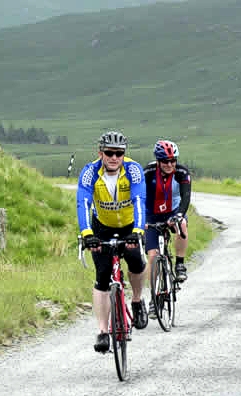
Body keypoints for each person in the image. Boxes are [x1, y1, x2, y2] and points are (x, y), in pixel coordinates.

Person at [77, 130, 148, 353]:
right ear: (101, 153)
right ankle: (102, 331)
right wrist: (87, 234)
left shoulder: (134, 170)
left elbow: (139, 200)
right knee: (102, 276)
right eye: (109, 153)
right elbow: (83, 203)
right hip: (102, 228)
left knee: (137, 262)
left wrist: (137, 231)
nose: (114, 157)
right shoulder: (89, 172)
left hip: (129, 225)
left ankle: (136, 301)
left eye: (119, 153)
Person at [141, 139, 191, 319]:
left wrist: (178, 215)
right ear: (158, 161)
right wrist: (141, 221)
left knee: (182, 224)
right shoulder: (147, 172)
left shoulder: (182, 171)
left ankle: (179, 264)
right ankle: (154, 299)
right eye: (165, 161)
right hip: (151, 214)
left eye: (173, 161)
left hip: (173, 210)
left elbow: (186, 196)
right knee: (153, 256)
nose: (170, 165)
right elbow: (138, 195)